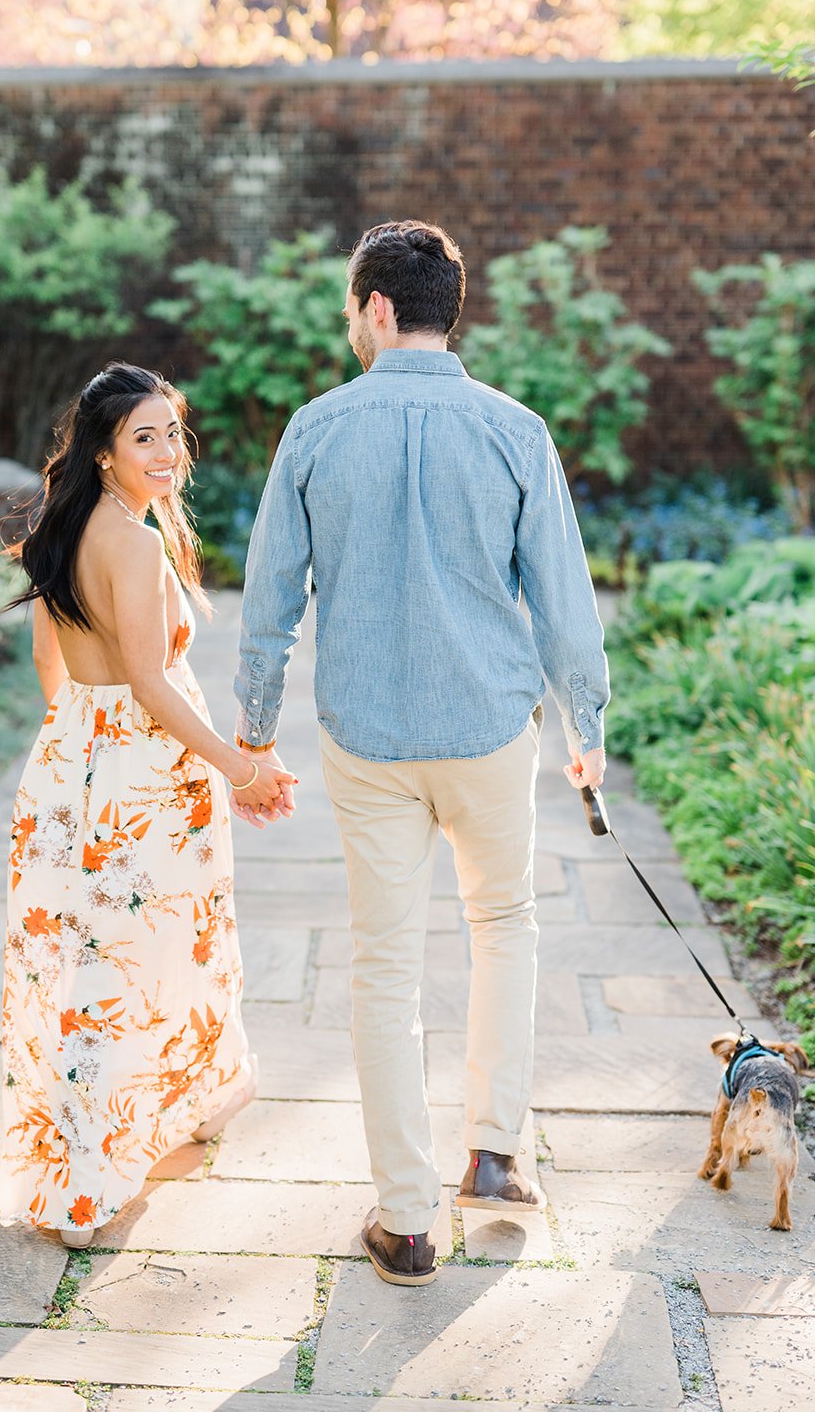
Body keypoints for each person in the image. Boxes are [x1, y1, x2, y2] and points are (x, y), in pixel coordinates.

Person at [232, 221, 609, 1286]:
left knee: (383, 966)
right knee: (505, 927)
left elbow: (267, 606)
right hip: (491, 728)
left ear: (379, 309)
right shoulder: (516, 430)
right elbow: (565, 605)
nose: (353, 325)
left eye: (354, 309)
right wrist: (586, 726)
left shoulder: (314, 429)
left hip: (367, 736)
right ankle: (494, 1156)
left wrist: (254, 734)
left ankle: (404, 1220)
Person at [0, 363, 295, 1248]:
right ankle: (91, 1184)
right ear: (103, 452)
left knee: (89, 965)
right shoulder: (132, 543)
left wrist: (79, 760)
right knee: (136, 963)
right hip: (141, 778)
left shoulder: (62, 525)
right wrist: (238, 767)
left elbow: (55, 671)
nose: (168, 452)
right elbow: (151, 682)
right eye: (145, 437)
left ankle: (139, 1130)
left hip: (70, 764)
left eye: (173, 432)